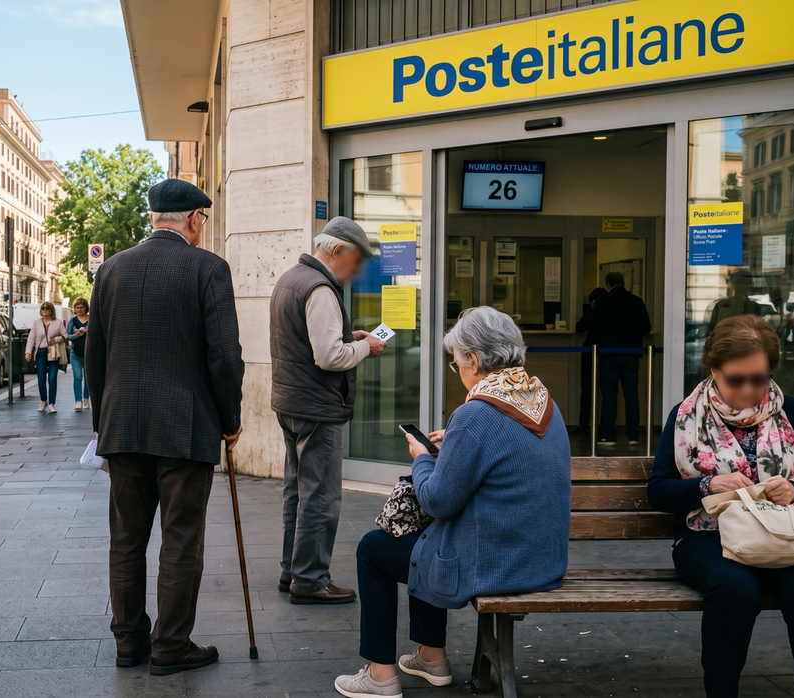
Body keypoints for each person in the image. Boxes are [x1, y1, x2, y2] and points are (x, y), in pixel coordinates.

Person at [334, 307, 571, 698]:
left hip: (500, 565)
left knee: (373, 550)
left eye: (456, 362)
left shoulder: (475, 413)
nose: (457, 370)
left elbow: (438, 502)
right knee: (430, 538)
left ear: (473, 360)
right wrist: (457, 443)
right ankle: (430, 656)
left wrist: (422, 458)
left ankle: (380, 676)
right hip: (544, 561)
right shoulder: (544, 402)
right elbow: (502, 452)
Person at [87, 178, 244, 676]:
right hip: (185, 426)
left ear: (154, 218)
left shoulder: (111, 269)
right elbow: (225, 356)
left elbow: (95, 356)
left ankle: (129, 642)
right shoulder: (208, 268)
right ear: (194, 219)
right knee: (181, 538)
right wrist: (231, 419)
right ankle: (171, 647)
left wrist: (103, 423)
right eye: (203, 220)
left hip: (122, 426)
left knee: (126, 540)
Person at [648, 315, 794, 698]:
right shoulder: (686, 417)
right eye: (736, 379)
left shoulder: (792, 412)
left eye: (760, 378)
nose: (749, 389)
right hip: (707, 536)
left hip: (787, 535)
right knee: (734, 588)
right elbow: (659, 490)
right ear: (714, 370)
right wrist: (708, 485)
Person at [269, 216, 387, 605]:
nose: (357, 271)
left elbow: (305, 342)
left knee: (297, 491)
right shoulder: (320, 288)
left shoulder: (290, 279)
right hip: (317, 407)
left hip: (291, 402)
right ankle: (309, 579)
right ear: (337, 251)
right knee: (319, 496)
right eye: (357, 261)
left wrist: (347, 337)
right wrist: (365, 347)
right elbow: (329, 357)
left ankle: (292, 570)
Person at [588, 271, 652, 446]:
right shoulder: (636, 301)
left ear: (608, 285)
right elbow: (646, 328)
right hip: (631, 354)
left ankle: (609, 436)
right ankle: (633, 436)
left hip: (609, 354)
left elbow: (593, 329)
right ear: (624, 283)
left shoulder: (602, 302)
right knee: (631, 395)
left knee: (609, 396)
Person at [575, 287, 608, 433]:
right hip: (607, 354)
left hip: (590, 355)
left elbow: (580, 327)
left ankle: (584, 424)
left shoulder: (593, 311)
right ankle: (605, 427)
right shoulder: (609, 311)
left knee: (587, 391)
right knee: (607, 393)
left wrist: (592, 310)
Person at [24, 301, 66, 414]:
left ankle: (52, 404)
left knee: (52, 379)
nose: (45, 310)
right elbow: (31, 338)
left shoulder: (58, 322)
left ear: (52, 310)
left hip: (53, 354)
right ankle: (43, 401)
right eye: (43, 308)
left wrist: (56, 339)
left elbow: (65, 336)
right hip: (41, 354)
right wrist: (28, 352)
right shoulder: (37, 323)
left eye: (47, 308)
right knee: (41, 380)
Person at [66, 297, 90, 412]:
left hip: (89, 353)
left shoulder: (91, 320)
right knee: (77, 377)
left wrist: (87, 331)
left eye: (81, 307)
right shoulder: (72, 320)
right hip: (75, 353)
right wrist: (77, 335)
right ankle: (78, 401)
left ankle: (86, 399)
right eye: (77, 308)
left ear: (86, 308)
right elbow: (67, 335)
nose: (79, 310)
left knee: (88, 378)